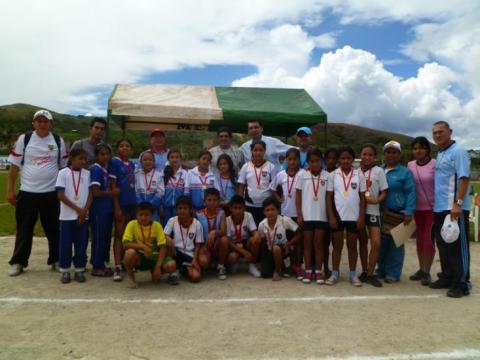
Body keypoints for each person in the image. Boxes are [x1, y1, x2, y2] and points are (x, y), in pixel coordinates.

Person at [7, 109, 68, 276]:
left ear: (51, 124)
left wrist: (63, 192)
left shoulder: (57, 140)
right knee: (24, 229)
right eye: (38, 121)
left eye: (45, 121)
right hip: (27, 192)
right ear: (33, 123)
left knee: (54, 229)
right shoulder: (24, 139)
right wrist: (10, 190)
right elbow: (14, 166)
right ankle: (19, 261)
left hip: (51, 193)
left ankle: (56, 260)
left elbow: (63, 168)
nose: (42, 124)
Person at [430, 121, 471, 298]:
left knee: (456, 245)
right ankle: (447, 276)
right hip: (440, 208)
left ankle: (462, 283)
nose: (437, 135)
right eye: (435, 133)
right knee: (443, 244)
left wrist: (458, 203)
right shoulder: (440, 153)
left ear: (450, 132)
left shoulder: (458, 151)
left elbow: (464, 178)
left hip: (454, 208)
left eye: (441, 132)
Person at [376, 141, 416, 284]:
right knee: (381, 243)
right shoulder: (379, 170)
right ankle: (380, 269)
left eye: (394, 152)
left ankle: (393, 273)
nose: (391, 154)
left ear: (399, 154)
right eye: (388, 152)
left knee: (396, 244)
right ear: (384, 154)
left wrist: (409, 211)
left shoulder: (405, 172)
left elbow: (411, 192)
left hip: (398, 213)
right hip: (381, 213)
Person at [326, 146, 366, 286]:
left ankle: (353, 274)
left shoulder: (359, 175)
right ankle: (335, 273)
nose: (345, 160)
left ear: (353, 159)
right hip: (337, 216)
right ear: (339, 160)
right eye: (343, 158)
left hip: (354, 217)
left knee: (352, 246)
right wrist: (331, 216)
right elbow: (329, 197)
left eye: (348, 158)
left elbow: (363, 198)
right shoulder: (333, 175)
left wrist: (361, 217)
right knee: (337, 246)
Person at [55, 148, 92, 283]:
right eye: (80, 158)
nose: (83, 161)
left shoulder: (87, 174)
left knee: (81, 244)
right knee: (65, 244)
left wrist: (84, 211)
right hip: (66, 216)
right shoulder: (63, 173)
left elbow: (90, 194)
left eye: (84, 159)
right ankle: (65, 270)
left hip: (83, 216)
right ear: (71, 158)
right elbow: (60, 195)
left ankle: (79, 269)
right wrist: (78, 209)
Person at [123, 202, 177, 288]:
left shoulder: (157, 225)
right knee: (129, 253)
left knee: (171, 265)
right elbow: (125, 244)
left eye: (146, 215)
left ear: (152, 215)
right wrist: (143, 247)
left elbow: (163, 247)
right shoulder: (132, 224)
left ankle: (155, 270)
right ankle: (131, 278)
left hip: (154, 256)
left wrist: (158, 267)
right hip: (140, 257)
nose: (143, 217)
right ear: (136, 215)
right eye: (140, 215)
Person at [296, 148, 329, 283]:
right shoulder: (302, 175)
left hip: (321, 216)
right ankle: (309, 270)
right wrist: (299, 215)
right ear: (308, 162)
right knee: (307, 244)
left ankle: (319, 271)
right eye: (311, 161)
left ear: (322, 161)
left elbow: (328, 196)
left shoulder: (327, 176)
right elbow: (298, 196)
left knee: (319, 244)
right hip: (307, 215)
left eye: (317, 161)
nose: (314, 164)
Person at [358, 144, 388, 287]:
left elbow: (384, 191)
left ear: (374, 157)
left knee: (376, 243)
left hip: (374, 211)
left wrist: (377, 200)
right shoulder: (356, 172)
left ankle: (370, 273)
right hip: (359, 212)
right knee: (363, 242)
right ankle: (364, 271)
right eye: (365, 154)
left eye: (370, 155)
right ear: (360, 155)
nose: (367, 157)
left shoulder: (379, 171)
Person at [407, 137, 436, 286]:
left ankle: (427, 271)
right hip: (416, 210)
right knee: (419, 241)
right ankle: (421, 269)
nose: (418, 151)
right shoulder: (410, 165)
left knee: (428, 241)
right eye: (415, 148)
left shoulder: (435, 164)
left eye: (421, 148)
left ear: (427, 149)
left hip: (432, 209)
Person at [271, 148, 302, 277]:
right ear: (286, 160)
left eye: (295, 159)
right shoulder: (281, 175)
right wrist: (279, 199)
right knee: (286, 241)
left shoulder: (303, 174)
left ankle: (297, 265)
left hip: (299, 214)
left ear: (299, 160)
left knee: (298, 241)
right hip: (285, 214)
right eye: (290, 159)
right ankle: (287, 266)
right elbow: (272, 188)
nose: (292, 161)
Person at [90, 144, 119, 277]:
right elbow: (95, 192)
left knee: (106, 237)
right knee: (99, 237)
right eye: (102, 154)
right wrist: (112, 193)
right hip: (98, 209)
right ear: (96, 155)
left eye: (107, 154)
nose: (105, 156)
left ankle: (101, 263)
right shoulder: (96, 169)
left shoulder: (104, 169)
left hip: (106, 208)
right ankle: (97, 266)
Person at [110, 138, 137, 281]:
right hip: (121, 203)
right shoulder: (114, 162)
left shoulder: (132, 164)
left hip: (132, 203)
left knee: (129, 235)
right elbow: (113, 186)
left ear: (131, 149)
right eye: (121, 146)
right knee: (119, 235)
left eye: (127, 146)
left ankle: (127, 263)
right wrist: (116, 206)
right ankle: (117, 266)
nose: (125, 148)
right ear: (117, 149)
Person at [164, 196, 206, 283]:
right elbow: (164, 235)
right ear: (176, 209)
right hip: (175, 252)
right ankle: (173, 270)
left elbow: (198, 244)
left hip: (189, 254)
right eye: (180, 208)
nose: (182, 211)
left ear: (191, 210)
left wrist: (194, 260)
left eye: (185, 208)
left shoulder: (197, 224)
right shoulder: (172, 220)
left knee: (196, 277)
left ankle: (182, 268)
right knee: (166, 241)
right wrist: (169, 239)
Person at [258, 197, 300, 281]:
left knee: (276, 248)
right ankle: (280, 267)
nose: (270, 212)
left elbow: (299, 233)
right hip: (270, 251)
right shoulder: (262, 224)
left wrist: (289, 244)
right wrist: (264, 259)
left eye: (273, 209)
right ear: (264, 212)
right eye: (267, 210)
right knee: (265, 274)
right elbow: (263, 242)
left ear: (278, 210)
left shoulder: (285, 220)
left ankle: (277, 271)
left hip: (284, 250)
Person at [237, 140, 275, 225]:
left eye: (261, 150)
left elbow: (274, 186)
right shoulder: (246, 166)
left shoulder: (271, 166)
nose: (258, 153)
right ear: (251, 151)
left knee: (265, 230)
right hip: (249, 205)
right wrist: (241, 203)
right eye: (255, 150)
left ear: (264, 151)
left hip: (266, 206)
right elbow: (241, 185)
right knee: (251, 230)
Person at [223, 195, 262, 278]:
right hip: (234, 245)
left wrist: (256, 234)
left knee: (255, 239)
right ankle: (234, 263)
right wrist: (244, 252)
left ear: (244, 208)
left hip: (245, 242)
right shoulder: (227, 220)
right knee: (232, 257)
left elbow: (254, 231)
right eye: (235, 208)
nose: (237, 211)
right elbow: (228, 242)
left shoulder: (248, 215)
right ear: (230, 209)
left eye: (240, 208)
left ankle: (252, 265)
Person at [197, 188, 226, 279]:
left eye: (214, 200)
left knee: (224, 240)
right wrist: (201, 246)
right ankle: (210, 263)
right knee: (203, 262)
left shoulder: (221, 213)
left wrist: (215, 232)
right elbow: (196, 234)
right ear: (204, 201)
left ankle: (221, 266)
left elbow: (223, 231)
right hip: (204, 245)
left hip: (217, 245)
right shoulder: (198, 214)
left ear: (218, 202)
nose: (212, 202)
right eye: (209, 200)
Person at [135, 151, 164, 222]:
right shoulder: (136, 174)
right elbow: (135, 191)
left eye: (150, 160)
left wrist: (150, 204)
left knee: (154, 226)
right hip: (140, 207)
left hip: (153, 207)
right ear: (141, 162)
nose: (147, 162)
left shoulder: (159, 175)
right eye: (145, 160)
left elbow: (161, 191)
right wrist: (141, 204)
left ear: (154, 162)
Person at [161, 150, 187, 226]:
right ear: (168, 160)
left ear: (181, 159)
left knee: (178, 226)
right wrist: (161, 205)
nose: (175, 159)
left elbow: (186, 191)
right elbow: (161, 190)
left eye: (177, 157)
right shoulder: (163, 172)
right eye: (172, 157)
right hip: (166, 206)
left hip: (179, 207)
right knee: (167, 226)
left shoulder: (185, 173)